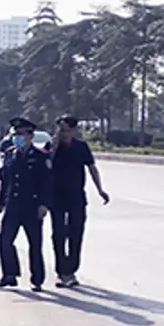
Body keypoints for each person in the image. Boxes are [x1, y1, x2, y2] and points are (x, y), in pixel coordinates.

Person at [0, 116, 53, 292]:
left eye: (20, 134)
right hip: (13, 205)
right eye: (15, 134)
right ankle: (9, 275)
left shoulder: (40, 156)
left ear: (30, 136)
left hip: (32, 206)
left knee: (34, 244)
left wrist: (44, 204)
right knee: (5, 240)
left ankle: (37, 279)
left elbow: (46, 182)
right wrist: (1, 202)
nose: (16, 137)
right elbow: (6, 180)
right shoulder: (10, 153)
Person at [50, 114, 110, 288]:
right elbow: (46, 164)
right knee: (59, 234)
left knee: (76, 233)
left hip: (76, 197)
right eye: (61, 130)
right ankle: (62, 273)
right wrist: (54, 144)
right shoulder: (53, 146)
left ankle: (71, 271)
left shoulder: (81, 147)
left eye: (67, 130)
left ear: (74, 131)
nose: (64, 134)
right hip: (56, 197)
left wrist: (100, 190)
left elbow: (92, 168)